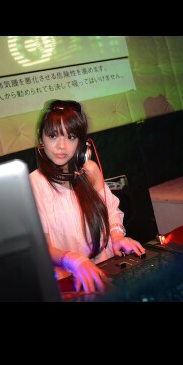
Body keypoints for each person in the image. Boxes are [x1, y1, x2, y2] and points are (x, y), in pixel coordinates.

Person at [29, 99, 145, 294]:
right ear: (41, 139)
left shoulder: (89, 170)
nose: (61, 146)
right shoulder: (35, 183)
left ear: (82, 144)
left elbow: (110, 211)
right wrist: (74, 260)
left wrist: (117, 236)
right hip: (71, 279)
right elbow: (40, 248)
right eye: (53, 135)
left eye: (71, 137)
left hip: (107, 268)